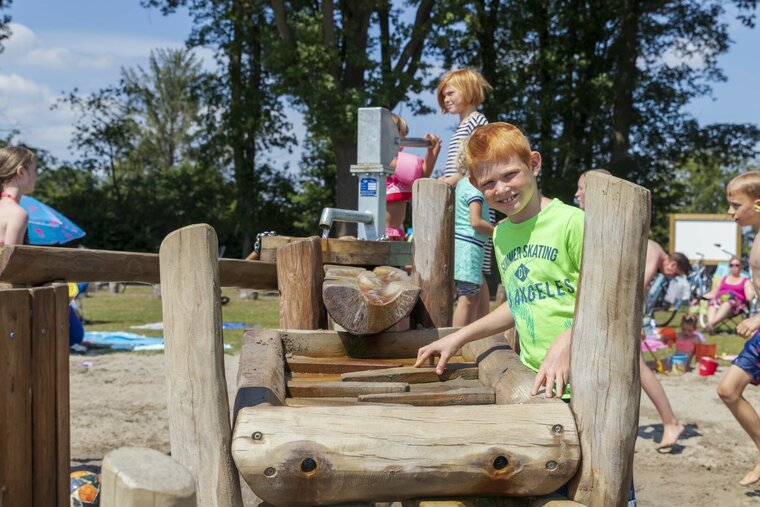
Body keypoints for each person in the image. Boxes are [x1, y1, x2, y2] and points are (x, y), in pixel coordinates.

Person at [577, 168, 687, 451]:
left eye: (581, 188)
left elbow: (636, 284)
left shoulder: (653, 249)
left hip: (622, 312)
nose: (577, 194)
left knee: (636, 365)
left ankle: (670, 421)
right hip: (618, 311)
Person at [435, 68, 494, 317]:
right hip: (463, 202)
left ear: (468, 91)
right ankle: (480, 332)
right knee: (475, 278)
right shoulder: (462, 125)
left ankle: (476, 331)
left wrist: (448, 181)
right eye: (444, 96)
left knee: (474, 276)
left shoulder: (477, 122)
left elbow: (474, 163)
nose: (446, 99)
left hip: (472, 204)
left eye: (451, 93)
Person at [717, 171, 760, 486]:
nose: (730, 212)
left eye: (735, 205)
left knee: (729, 390)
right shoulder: (755, 233)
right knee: (728, 390)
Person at [452, 155, 493, 327]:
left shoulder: (462, 183)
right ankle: (456, 342)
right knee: (467, 298)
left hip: (468, 247)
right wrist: (498, 231)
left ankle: (465, 341)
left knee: (472, 296)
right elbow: (475, 222)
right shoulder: (474, 188)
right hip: (468, 248)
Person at [386, 113, 440, 240]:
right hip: (384, 233)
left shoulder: (396, 164)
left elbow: (423, 175)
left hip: (396, 232)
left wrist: (432, 151)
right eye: (400, 139)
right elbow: (418, 172)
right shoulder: (386, 161)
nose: (404, 144)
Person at [700, 257, 754, 333]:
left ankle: (710, 324)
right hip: (719, 301)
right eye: (731, 265)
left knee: (728, 302)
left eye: (737, 265)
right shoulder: (723, 279)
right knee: (712, 302)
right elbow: (713, 293)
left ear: (741, 266)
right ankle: (711, 325)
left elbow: (749, 297)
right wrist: (700, 298)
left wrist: (748, 302)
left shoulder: (745, 281)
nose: (734, 267)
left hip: (735, 305)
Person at [0, 146, 36, 245]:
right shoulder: (17, 214)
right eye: (34, 170)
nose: (36, 176)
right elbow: (12, 259)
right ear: (21, 172)